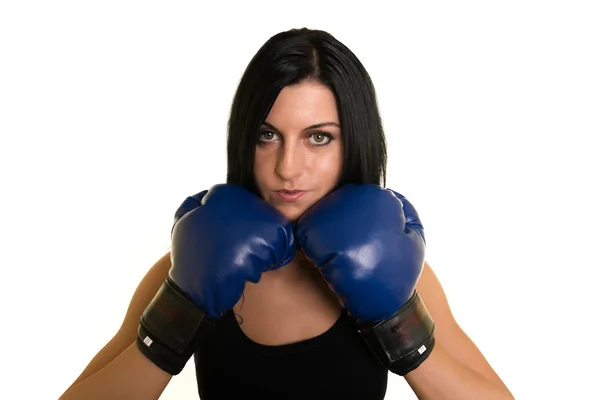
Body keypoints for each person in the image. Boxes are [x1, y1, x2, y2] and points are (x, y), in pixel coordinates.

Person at [59, 28, 514, 400]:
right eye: (267, 135)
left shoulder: (396, 269)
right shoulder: (189, 265)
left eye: (318, 137)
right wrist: (182, 309)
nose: (287, 167)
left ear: (353, 142)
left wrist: (398, 327)